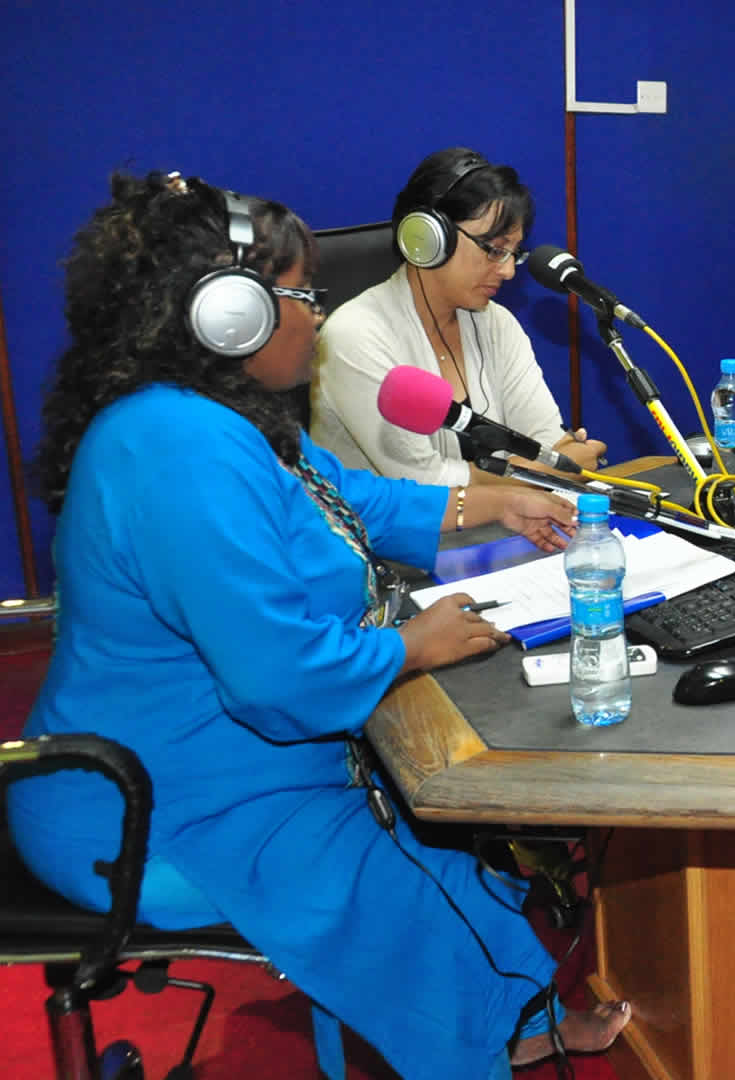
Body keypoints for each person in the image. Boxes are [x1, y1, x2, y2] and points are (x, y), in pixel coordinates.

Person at [8, 171, 631, 1079]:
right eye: (304, 295)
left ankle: (507, 1022)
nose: (319, 312)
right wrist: (412, 645)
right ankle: (484, 1037)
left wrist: (490, 501)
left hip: (223, 769)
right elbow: (279, 680)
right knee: (414, 883)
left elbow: (349, 502)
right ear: (231, 317)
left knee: (447, 858)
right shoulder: (177, 450)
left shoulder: (220, 415)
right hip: (153, 810)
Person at [310, 146, 605, 485]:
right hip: (378, 521)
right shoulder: (354, 335)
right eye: (495, 250)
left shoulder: (496, 323)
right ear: (428, 237)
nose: (508, 271)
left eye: (514, 253)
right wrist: (550, 470)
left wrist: (554, 462)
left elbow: (548, 443)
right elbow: (424, 486)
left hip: (500, 516)